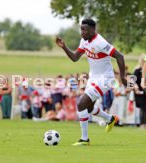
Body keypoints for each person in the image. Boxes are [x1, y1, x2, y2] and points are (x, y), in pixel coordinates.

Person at [56, 18, 127, 146]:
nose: (82, 32)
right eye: (81, 29)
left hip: (105, 78)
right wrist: (64, 47)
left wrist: (122, 76)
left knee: (81, 104)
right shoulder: (84, 41)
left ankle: (84, 139)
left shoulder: (100, 42)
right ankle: (110, 119)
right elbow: (75, 58)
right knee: (88, 108)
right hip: (93, 77)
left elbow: (119, 56)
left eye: (85, 30)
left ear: (93, 30)